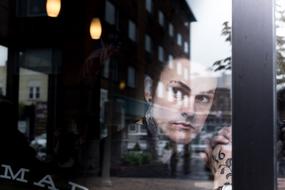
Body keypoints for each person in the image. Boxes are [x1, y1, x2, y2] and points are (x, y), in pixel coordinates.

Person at [142, 58, 232, 189]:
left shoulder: (216, 146)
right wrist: (225, 175)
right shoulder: (110, 152)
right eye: (177, 92)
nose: (190, 111)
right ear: (149, 91)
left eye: (203, 98)